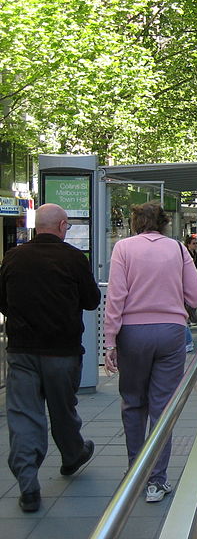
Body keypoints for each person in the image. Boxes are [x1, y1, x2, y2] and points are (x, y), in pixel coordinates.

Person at [0, 204, 101, 513]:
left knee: (23, 416)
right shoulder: (73, 258)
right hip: (62, 351)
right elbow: (92, 300)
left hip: (22, 351)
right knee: (63, 409)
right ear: (62, 226)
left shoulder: (13, 258)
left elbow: (2, 301)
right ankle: (72, 454)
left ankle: (28, 485)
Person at [103, 201, 197, 504]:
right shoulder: (177, 249)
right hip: (170, 332)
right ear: (163, 223)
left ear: (135, 222)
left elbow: (116, 296)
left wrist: (110, 341)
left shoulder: (123, 248)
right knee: (162, 406)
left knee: (133, 403)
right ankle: (156, 482)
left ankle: (135, 472)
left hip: (132, 334)